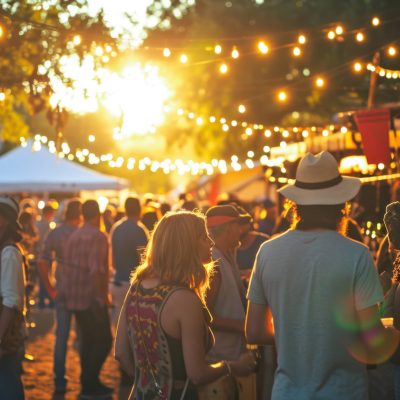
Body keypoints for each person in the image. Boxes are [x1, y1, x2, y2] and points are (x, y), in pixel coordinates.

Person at [246, 151, 398, 399]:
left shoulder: (267, 251)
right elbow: (372, 337)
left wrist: (297, 332)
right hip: (344, 392)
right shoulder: (356, 255)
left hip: (286, 392)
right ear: (342, 206)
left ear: (295, 205)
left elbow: (253, 331)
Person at [115, 211, 255, 400]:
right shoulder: (184, 299)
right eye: (205, 237)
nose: (211, 243)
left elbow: (122, 353)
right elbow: (197, 374)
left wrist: (150, 382)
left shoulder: (137, 287)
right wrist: (232, 366)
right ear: (188, 244)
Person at [205, 205, 256, 398]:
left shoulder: (225, 256)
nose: (242, 230)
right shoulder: (214, 263)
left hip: (229, 356)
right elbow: (202, 317)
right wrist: (241, 325)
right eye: (238, 225)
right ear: (228, 228)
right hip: (219, 358)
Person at [64, 199, 113, 399]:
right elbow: (96, 270)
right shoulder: (98, 236)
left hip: (75, 298)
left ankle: (89, 384)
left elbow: (67, 268)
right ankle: (89, 382)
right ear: (98, 214)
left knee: (88, 342)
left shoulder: (75, 235)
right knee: (104, 341)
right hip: (91, 299)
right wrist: (100, 298)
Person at [37, 198, 82, 394]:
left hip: (62, 289)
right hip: (82, 291)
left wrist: (49, 287)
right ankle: (86, 378)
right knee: (82, 337)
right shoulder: (83, 233)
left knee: (61, 336)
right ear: (79, 214)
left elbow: (42, 261)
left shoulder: (56, 232)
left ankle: (59, 379)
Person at [0, 196, 26, 399]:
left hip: (6, 336)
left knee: (8, 387)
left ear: (4, 220)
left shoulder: (8, 252)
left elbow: (10, 302)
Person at [109, 197, 148, 328]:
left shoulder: (116, 228)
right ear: (140, 209)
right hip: (133, 285)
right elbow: (144, 261)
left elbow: (112, 261)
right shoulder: (139, 230)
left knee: (119, 324)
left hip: (117, 281)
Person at [36, 203, 56, 308]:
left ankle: (42, 301)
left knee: (42, 279)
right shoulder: (47, 225)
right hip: (46, 256)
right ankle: (48, 301)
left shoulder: (38, 223)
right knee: (46, 277)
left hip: (40, 255)